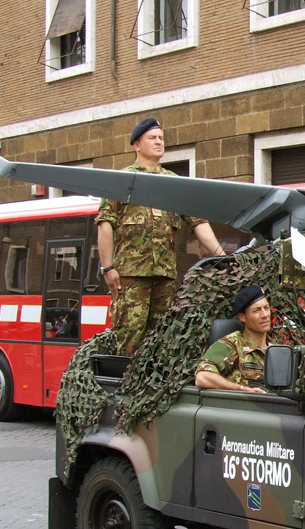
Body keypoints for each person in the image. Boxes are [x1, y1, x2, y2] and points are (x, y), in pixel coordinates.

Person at [96, 117, 226, 356]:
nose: (159, 142)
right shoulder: (123, 180)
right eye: (152, 138)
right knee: (130, 339)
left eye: (161, 138)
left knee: (161, 341)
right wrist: (108, 268)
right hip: (130, 276)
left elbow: (197, 221)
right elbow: (105, 224)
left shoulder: (172, 182)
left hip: (164, 277)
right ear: (136, 144)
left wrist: (222, 256)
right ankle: (127, 390)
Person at [195, 285, 273, 394]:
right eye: (256, 310)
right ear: (242, 317)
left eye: (266, 308)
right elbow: (203, 377)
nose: (264, 315)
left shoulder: (277, 349)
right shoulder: (232, 344)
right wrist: (242, 390)